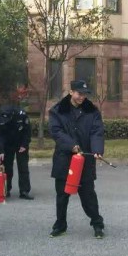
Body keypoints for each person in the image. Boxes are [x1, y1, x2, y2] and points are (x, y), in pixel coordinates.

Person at [48, 79, 105, 239]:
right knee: (62, 195)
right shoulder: (57, 110)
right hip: (64, 159)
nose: (82, 97)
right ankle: (60, 225)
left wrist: (97, 150)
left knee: (88, 195)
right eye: (79, 94)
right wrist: (71, 145)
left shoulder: (92, 111)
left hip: (85, 160)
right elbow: (56, 131)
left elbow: (97, 132)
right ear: (71, 92)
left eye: (85, 94)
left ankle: (97, 224)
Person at [0, 105, 33, 200]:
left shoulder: (21, 115)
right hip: (7, 144)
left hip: (20, 142)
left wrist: (24, 145)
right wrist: (1, 151)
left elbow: (27, 131)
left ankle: (24, 191)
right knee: (7, 167)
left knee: (23, 167)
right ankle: (6, 189)